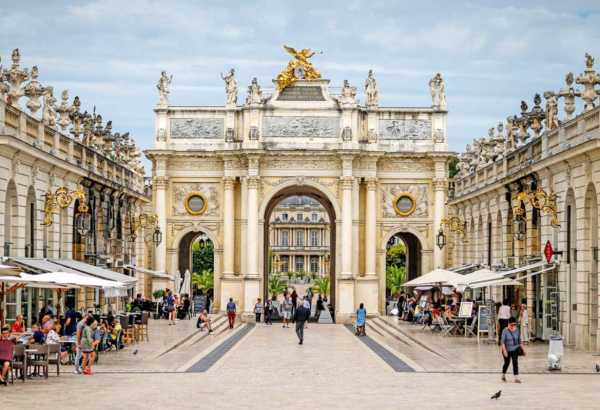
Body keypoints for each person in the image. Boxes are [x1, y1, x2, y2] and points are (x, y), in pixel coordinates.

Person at [501, 317, 525, 383]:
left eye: (514, 325)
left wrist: (523, 349)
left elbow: (520, 341)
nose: (513, 326)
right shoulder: (504, 330)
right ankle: (503, 375)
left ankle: (516, 378)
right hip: (506, 349)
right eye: (511, 325)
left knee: (515, 362)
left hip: (515, 349)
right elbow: (502, 342)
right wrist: (505, 351)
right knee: (507, 363)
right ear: (508, 324)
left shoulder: (517, 330)